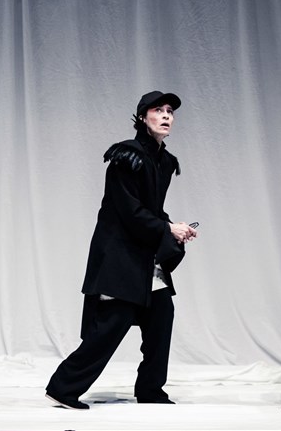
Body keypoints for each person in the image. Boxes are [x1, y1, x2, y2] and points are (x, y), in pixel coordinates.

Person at [45, 91, 198, 410]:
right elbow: (128, 210)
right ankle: (63, 388)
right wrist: (167, 229)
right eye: (158, 110)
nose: (166, 115)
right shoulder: (127, 155)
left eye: (170, 111)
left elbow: (152, 209)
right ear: (142, 117)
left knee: (162, 315)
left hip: (145, 255)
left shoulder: (165, 161)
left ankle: (151, 390)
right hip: (120, 255)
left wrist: (175, 226)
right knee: (112, 324)